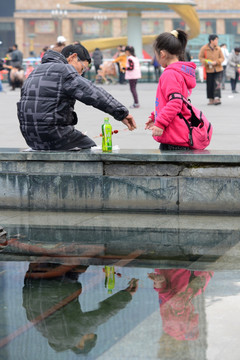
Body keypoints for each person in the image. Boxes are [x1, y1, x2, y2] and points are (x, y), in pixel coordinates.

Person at [17, 43, 136, 151]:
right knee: (90, 149)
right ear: (73, 57)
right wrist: (121, 113)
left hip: (30, 137)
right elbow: (93, 93)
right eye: (82, 68)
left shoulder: (36, 70)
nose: (80, 74)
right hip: (53, 134)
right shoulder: (64, 70)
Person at [22, 262, 139, 355]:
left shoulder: (71, 337)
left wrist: (126, 296)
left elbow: (101, 315)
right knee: (77, 263)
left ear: (80, 345)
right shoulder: (46, 330)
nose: (89, 331)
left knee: (87, 254)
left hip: (55, 283)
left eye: (88, 334)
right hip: (33, 279)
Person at [145, 29, 197, 151]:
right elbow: (174, 100)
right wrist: (155, 116)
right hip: (179, 133)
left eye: (156, 55)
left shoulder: (170, 74)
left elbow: (175, 102)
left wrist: (160, 123)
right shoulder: (180, 71)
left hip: (173, 137)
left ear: (162, 54)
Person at [198, 34, 224, 105]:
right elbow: (200, 57)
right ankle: (211, 99)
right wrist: (207, 61)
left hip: (218, 69)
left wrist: (217, 62)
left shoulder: (218, 48)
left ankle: (217, 98)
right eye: (216, 40)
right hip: (208, 69)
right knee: (210, 84)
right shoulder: (204, 48)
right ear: (211, 41)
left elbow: (222, 58)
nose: (217, 41)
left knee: (217, 83)